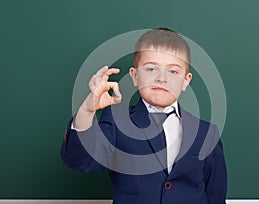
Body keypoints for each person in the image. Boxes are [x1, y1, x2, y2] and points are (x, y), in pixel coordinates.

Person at [61, 28, 227, 204]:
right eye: (151, 69)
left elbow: (215, 195)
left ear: (186, 80)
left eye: (173, 71)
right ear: (134, 76)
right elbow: (81, 161)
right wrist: (87, 109)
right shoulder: (117, 121)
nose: (161, 78)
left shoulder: (206, 132)